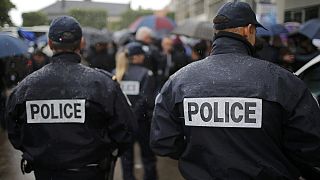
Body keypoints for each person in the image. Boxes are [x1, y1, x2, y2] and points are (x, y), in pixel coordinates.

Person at [150, 2, 320, 180]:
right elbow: (311, 146)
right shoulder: (282, 81)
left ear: (216, 33)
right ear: (248, 30)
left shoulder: (179, 81)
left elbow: (163, 142)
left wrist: (198, 155)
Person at [5, 16, 134, 180]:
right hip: (91, 172)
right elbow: (127, 131)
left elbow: (14, 133)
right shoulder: (102, 84)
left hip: (46, 172)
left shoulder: (25, 88)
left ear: (50, 44)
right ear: (81, 43)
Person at [114, 42, 157, 180]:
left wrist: (126, 116)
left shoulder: (115, 73)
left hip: (123, 124)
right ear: (137, 57)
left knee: (126, 159)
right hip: (142, 123)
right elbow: (147, 100)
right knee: (148, 157)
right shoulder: (146, 73)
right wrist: (135, 115)